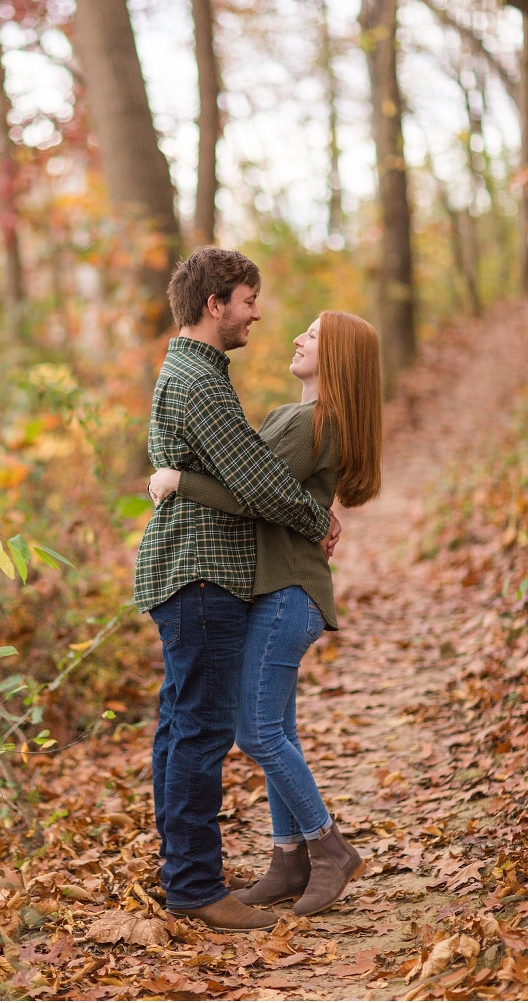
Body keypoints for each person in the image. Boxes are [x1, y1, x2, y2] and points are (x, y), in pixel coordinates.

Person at [134, 246, 341, 934]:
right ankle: (194, 884)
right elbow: (255, 480)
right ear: (214, 303)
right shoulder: (200, 383)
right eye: (248, 300)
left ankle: (184, 874)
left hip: (192, 572)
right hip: (201, 573)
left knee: (181, 725)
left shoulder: (195, 374)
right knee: (199, 731)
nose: (258, 313)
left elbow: (245, 470)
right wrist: (318, 517)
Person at [149, 309, 382, 916]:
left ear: (337, 360)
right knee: (280, 730)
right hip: (283, 592)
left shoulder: (311, 423)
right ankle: (289, 858)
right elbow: (264, 485)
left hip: (286, 595)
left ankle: (328, 848)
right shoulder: (301, 417)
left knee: (256, 731)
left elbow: (249, 492)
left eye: (315, 334)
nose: (299, 336)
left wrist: (178, 480)